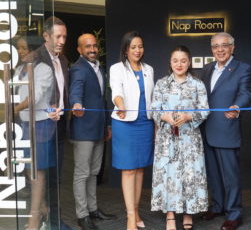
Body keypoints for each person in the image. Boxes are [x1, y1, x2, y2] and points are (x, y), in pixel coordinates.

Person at [150, 45, 209, 230]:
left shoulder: (197, 84)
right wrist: (165, 117)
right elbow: (153, 109)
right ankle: (169, 216)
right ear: (170, 62)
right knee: (169, 175)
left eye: (183, 60)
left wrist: (188, 116)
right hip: (167, 139)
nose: (179, 64)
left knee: (189, 174)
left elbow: (205, 109)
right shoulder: (161, 83)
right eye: (175, 60)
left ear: (189, 62)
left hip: (190, 138)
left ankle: (188, 212)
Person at [200, 32, 251, 230]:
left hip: (227, 128)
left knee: (230, 176)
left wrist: (237, 107)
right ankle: (218, 206)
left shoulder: (242, 69)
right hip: (206, 130)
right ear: (212, 49)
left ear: (232, 47)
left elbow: (245, 93)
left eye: (224, 45)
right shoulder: (206, 69)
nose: (220, 50)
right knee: (213, 173)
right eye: (215, 46)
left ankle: (234, 214)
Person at [27, 16, 71, 230]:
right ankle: (34, 221)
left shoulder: (63, 60)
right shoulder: (34, 59)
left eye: (64, 36)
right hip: (40, 126)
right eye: (57, 36)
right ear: (46, 36)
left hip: (59, 125)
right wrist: (46, 110)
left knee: (55, 178)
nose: (62, 40)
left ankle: (54, 221)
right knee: (40, 175)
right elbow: (25, 100)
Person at [69, 33, 116, 230]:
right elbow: (75, 91)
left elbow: (102, 99)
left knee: (94, 172)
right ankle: (82, 215)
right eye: (87, 46)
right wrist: (76, 104)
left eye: (95, 45)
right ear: (80, 50)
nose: (92, 49)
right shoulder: (78, 68)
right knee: (82, 173)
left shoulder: (100, 68)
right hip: (83, 130)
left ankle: (93, 209)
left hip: (98, 129)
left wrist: (107, 125)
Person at [109, 30, 154, 230]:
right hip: (125, 122)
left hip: (145, 123)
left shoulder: (149, 69)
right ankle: (129, 217)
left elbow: (152, 97)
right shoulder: (117, 68)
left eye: (140, 46)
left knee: (139, 168)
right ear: (126, 49)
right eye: (133, 47)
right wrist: (121, 105)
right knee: (128, 169)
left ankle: (136, 211)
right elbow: (116, 92)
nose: (137, 50)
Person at [14, 35, 58, 230]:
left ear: (34, 49)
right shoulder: (18, 70)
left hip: (41, 125)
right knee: (26, 169)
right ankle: (42, 208)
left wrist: (13, 110)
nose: (21, 52)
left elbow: (35, 97)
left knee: (37, 173)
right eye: (19, 48)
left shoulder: (44, 70)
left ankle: (34, 218)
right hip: (23, 125)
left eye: (24, 48)